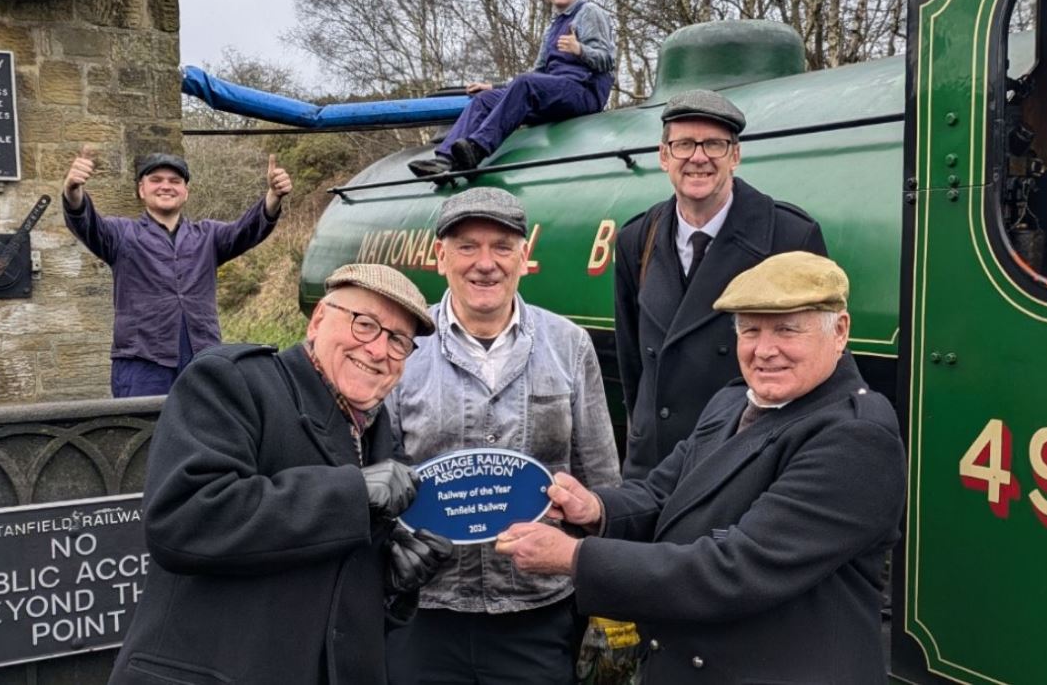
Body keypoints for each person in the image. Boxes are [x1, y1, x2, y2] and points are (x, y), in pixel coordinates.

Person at [495, 252, 906, 683]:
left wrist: (575, 558)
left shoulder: (856, 437)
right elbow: (662, 494)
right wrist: (595, 509)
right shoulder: (731, 401)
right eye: (750, 330)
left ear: (839, 331)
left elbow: (735, 570)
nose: (765, 350)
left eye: (787, 329)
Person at [108, 263, 456, 685]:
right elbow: (183, 519)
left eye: (398, 341)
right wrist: (350, 493)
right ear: (318, 320)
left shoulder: (379, 431)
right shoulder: (234, 380)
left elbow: (332, 586)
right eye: (365, 325)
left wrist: (392, 585)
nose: (379, 350)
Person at [384, 188, 621, 683]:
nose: (485, 263)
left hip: (537, 609)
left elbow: (601, 479)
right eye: (467, 246)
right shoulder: (403, 348)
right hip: (424, 609)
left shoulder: (569, 345)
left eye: (502, 246)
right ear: (440, 256)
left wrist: (604, 582)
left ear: (524, 256)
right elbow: (371, 474)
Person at [613, 89, 828, 480]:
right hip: (653, 465)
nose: (698, 157)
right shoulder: (635, 240)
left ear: (735, 155)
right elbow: (632, 362)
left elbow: (818, 365)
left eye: (714, 144)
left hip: (743, 465)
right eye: (684, 145)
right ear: (664, 157)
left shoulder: (789, 235)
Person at [62, 148, 294, 397]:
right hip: (141, 363)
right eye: (156, 180)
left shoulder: (208, 236)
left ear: (185, 192)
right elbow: (86, 221)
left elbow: (246, 230)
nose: (166, 186)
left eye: (175, 181)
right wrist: (73, 190)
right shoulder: (121, 234)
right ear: (142, 190)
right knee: (145, 433)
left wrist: (273, 197)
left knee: (204, 431)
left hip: (202, 358)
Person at [408, 0, 615, 178]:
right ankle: (444, 160)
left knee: (525, 83)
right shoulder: (553, 27)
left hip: (583, 91)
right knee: (484, 100)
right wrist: (494, 86)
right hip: (555, 92)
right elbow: (538, 73)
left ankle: (477, 149)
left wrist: (579, 49)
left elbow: (607, 60)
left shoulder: (589, 12)